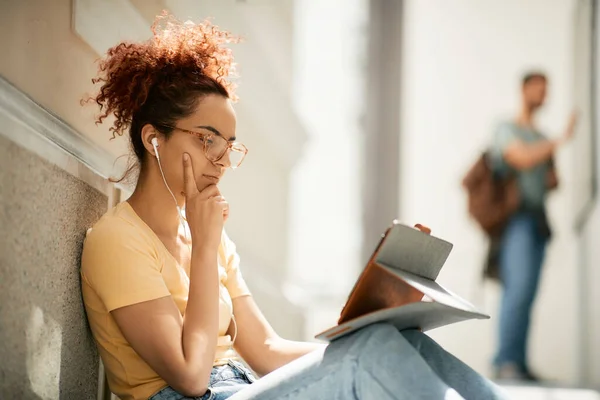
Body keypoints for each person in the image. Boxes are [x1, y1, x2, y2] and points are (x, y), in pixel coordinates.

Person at [81, 13, 509, 400]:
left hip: (247, 387)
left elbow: (266, 351)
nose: (223, 161)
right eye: (207, 138)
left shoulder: (210, 236)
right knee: (374, 350)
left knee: (400, 342)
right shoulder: (117, 241)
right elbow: (191, 379)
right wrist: (206, 247)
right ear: (154, 139)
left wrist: (371, 332)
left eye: (229, 147)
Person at [490, 72, 576, 381]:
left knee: (528, 293)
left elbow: (552, 183)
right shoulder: (507, 129)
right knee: (517, 289)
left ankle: (519, 362)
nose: (542, 95)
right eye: (538, 89)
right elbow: (519, 158)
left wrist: (551, 161)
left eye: (546, 91)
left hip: (539, 221)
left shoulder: (542, 136)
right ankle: (506, 361)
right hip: (516, 220)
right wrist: (558, 142)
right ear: (524, 90)